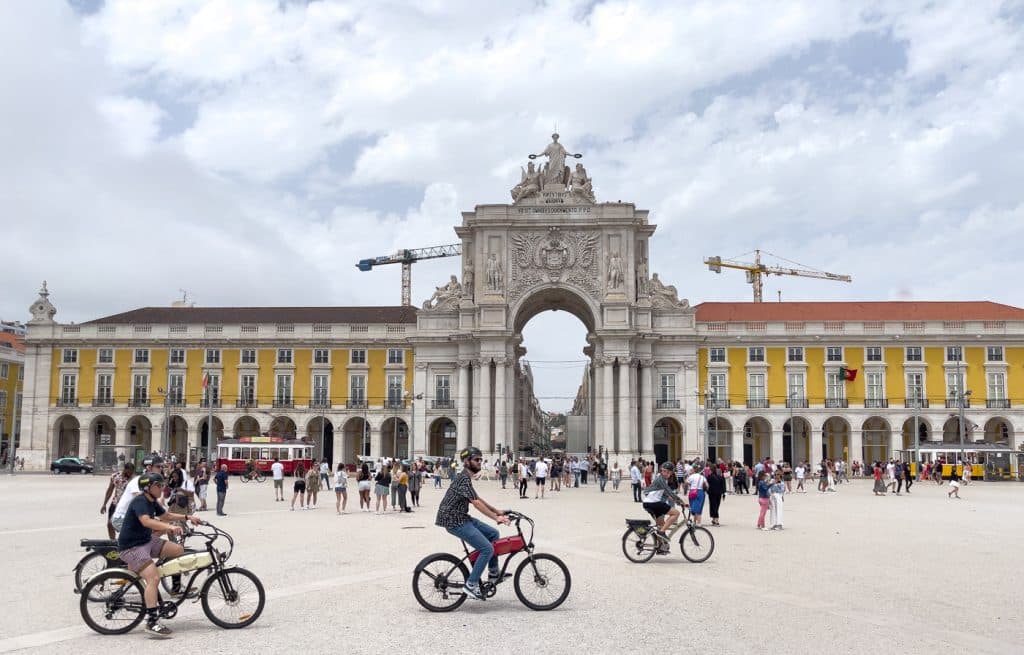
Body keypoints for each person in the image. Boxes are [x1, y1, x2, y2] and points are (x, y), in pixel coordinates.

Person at [117, 472, 203, 637]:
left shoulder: (152, 501)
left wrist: (187, 516)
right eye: (158, 485)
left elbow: (166, 515)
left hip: (146, 541)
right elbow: (146, 521)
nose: (162, 488)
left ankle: (154, 574)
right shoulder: (140, 501)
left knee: (177, 550)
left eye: (162, 485)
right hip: (132, 547)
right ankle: (151, 621)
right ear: (148, 488)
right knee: (153, 579)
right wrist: (169, 527)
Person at [435, 447, 510, 601]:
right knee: (487, 549)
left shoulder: (465, 479)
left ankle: (494, 574)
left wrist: (497, 511)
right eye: (477, 459)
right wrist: (495, 518)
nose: (480, 462)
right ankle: (471, 584)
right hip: (454, 520)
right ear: (467, 461)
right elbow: (476, 503)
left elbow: (477, 498)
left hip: (462, 517)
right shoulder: (462, 478)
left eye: (481, 460)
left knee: (493, 534)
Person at [111, 456, 165, 532]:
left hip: (134, 517)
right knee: (157, 529)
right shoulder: (140, 481)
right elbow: (144, 500)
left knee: (162, 527)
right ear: (149, 467)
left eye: (162, 466)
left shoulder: (152, 481)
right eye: (158, 466)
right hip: (122, 518)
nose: (161, 469)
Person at [641, 462, 686, 552]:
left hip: (649, 503)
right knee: (676, 513)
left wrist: (678, 502)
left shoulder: (662, 479)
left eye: (666, 471)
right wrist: (681, 501)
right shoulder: (661, 479)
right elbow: (669, 491)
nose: (664, 473)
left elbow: (666, 494)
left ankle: (660, 546)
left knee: (661, 525)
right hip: (653, 503)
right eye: (663, 471)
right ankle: (661, 533)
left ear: (670, 473)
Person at [101, 461, 136, 539]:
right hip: (115, 504)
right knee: (109, 524)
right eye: (129, 472)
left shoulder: (133, 479)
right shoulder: (115, 476)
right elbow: (110, 490)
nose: (130, 474)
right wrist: (104, 504)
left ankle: (123, 542)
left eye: (132, 473)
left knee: (125, 526)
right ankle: (112, 542)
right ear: (125, 469)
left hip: (127, 506)